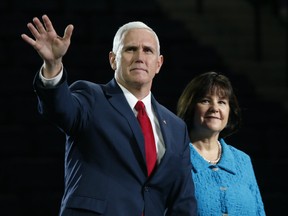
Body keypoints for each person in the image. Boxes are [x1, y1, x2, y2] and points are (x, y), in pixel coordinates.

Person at [21, 14, 197, 216]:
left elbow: (183, 200)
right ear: (113, 59)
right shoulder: (92, 97)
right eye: (130, 49)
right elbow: (60, 109)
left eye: (147, 50)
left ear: (158, 64)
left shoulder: (176, 127)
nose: (140, 56)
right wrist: (52, 65)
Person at [176, 71, 266, 215]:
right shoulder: (175, 159)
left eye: (222, 102)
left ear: (230, 111)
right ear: (191, 106)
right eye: (205, 100)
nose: (215, 108)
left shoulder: (242, 161)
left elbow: (259, 211)